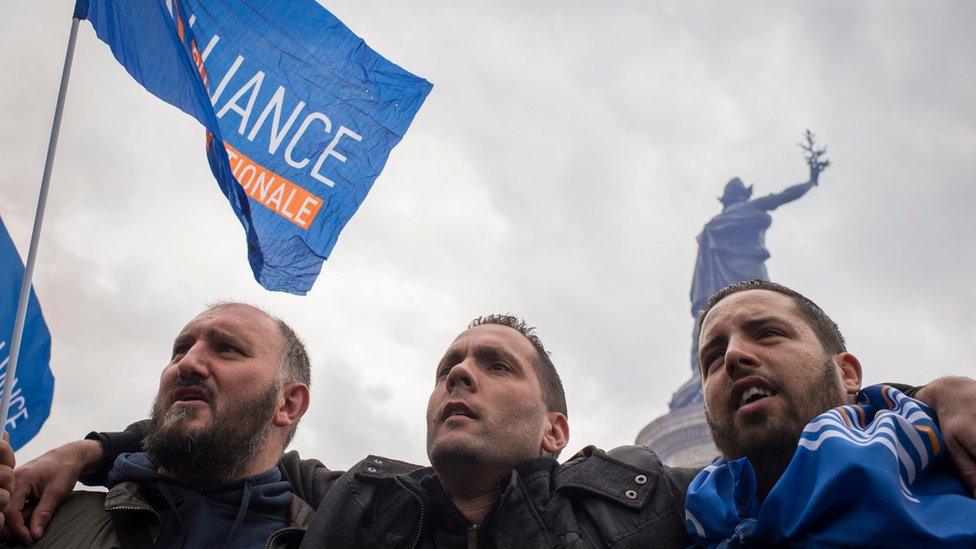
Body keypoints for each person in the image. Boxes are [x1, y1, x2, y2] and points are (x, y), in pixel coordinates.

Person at [6, 314, 699, 547]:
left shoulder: (640, 503)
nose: (460, 375)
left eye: (495, 365)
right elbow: (238, 441)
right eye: (447, 365)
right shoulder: (359, 502)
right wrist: (91, 448)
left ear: (555, 429)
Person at [0, 302, 320, 548]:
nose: (187, 364)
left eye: (227, 349)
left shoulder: (327, 535)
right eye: (180, 350)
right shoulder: (38, 521)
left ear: (288, 404)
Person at [686, 280, 976, 546]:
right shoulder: (675, 515)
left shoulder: (950, 448)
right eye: (713, 358)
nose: (732, 356)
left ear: (847, 373)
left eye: (768, 334)